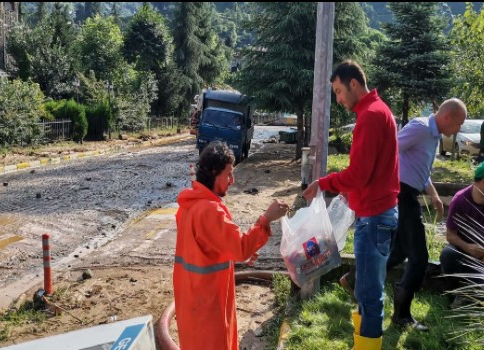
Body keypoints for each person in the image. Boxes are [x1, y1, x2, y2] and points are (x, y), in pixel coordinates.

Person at [303, 59, 399, 349]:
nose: (338, 99)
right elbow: (370, 173)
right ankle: (363, 341)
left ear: (353, 84)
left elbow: (358, 174)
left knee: (369, 294)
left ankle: (366, 345)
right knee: (368, 290)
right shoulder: (378, 111)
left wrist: (324, 183)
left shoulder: (370, 115)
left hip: (375, 217)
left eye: (338, 91)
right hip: (378, 213)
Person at [173, 141, 289, 350]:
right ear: (213, 173)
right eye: (228, 174)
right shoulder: (209, 211)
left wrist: (232, 251)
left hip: (190, 297)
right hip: (208, 303)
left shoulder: (188, 206)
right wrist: (265, 219)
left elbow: (205, 248)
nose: (232, 181)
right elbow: (241, 248)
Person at [386, 98, 467, 331]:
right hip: (401, 195)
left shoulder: (433, 134)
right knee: (419, 258)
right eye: (459, 123)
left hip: (409, 194)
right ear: (447, 117)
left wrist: (433, 194)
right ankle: (401, 316)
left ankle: (355, 279)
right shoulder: (421, 128)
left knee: (399, 251)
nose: (459, 129)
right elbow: (389, 149)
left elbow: (420, 169)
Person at [439, 160, 484, 306]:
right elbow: (450, 235)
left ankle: (473, 295)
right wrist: (467, 247)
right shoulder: (460, 200)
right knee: (448, 254)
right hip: (463, 251)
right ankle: (456, 291)